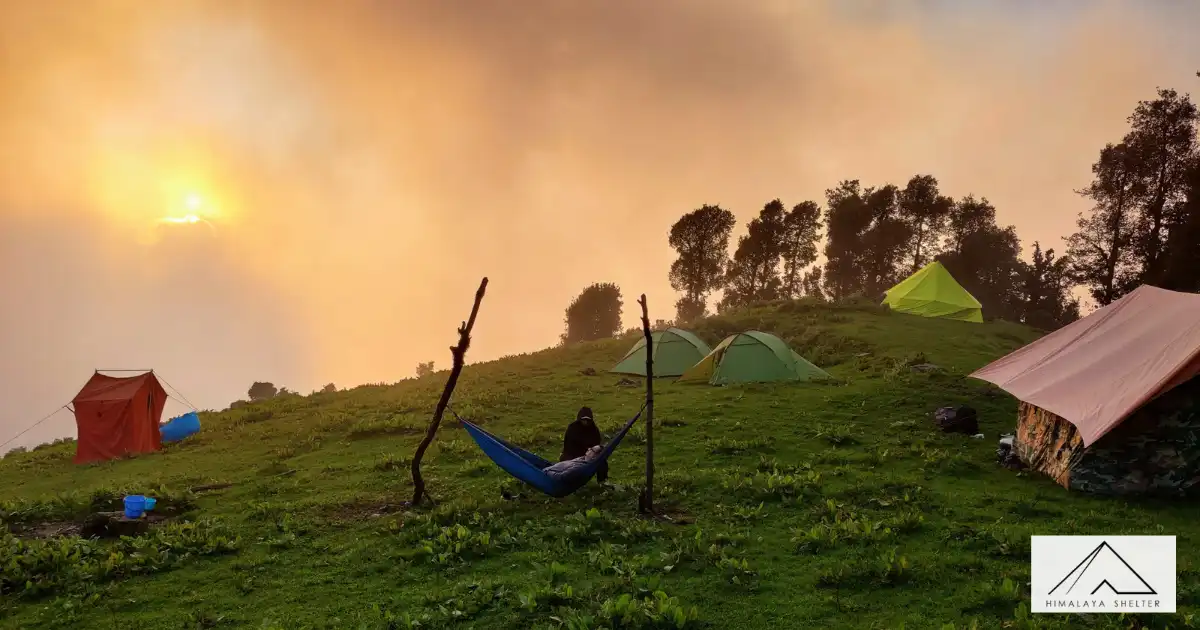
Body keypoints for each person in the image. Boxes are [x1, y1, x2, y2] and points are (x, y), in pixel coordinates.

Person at [559, 406, 608, 483]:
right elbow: (569, 446)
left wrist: (592, 451)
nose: (586, 422)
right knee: (567, 465)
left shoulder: (593, 429)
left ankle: (602, 482)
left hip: (589, 455)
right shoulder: (573, 428)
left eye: (588, 420)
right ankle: (567, 482)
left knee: (602, 461)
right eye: (584, 420)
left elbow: (597, 443)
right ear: (580, 419)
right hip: (572, 454)